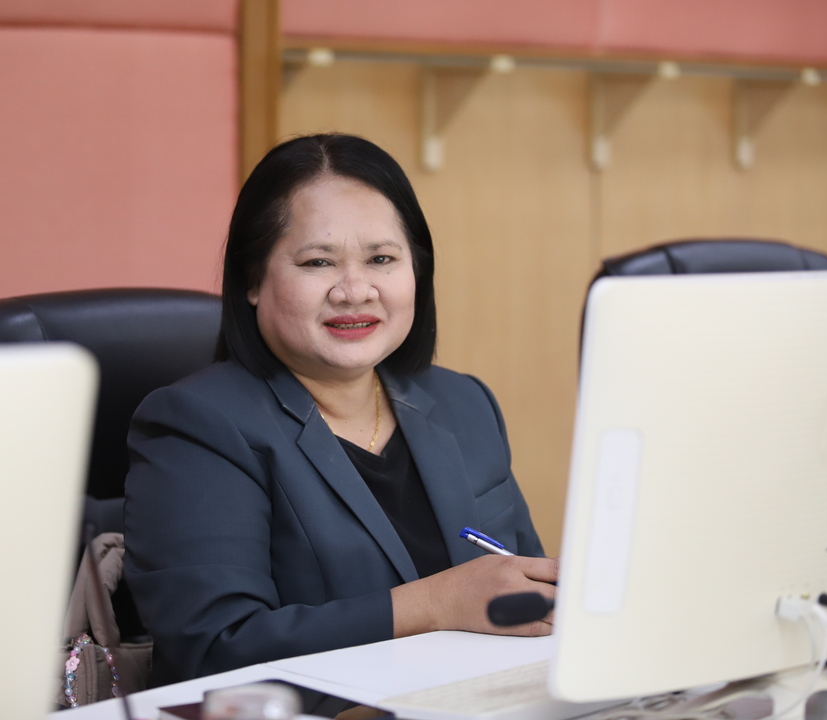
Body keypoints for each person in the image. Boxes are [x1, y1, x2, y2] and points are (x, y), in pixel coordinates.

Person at [124, 134, 557, 687]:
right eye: (318, 262)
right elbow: (212, 650)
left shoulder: (464, 402)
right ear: (253, 279)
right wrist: (434, 604)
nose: (355, 291)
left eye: (381, 259)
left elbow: (528, 596)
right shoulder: (196, 424)